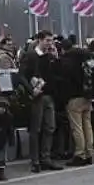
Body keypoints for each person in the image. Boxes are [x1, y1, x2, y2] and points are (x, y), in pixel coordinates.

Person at [19, 30, 63, 173]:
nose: (50, 44)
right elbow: (22, 75)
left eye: (51, 41)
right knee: (36, 129)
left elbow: (56, 75)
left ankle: (46, 157)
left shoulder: (49, 56)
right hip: (37, 95)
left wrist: (56, 59)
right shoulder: (31, 56)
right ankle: (35, 160)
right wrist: (31, 91)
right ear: (40, 40)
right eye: (47, 41)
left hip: (49, 94)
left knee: (50, 127)